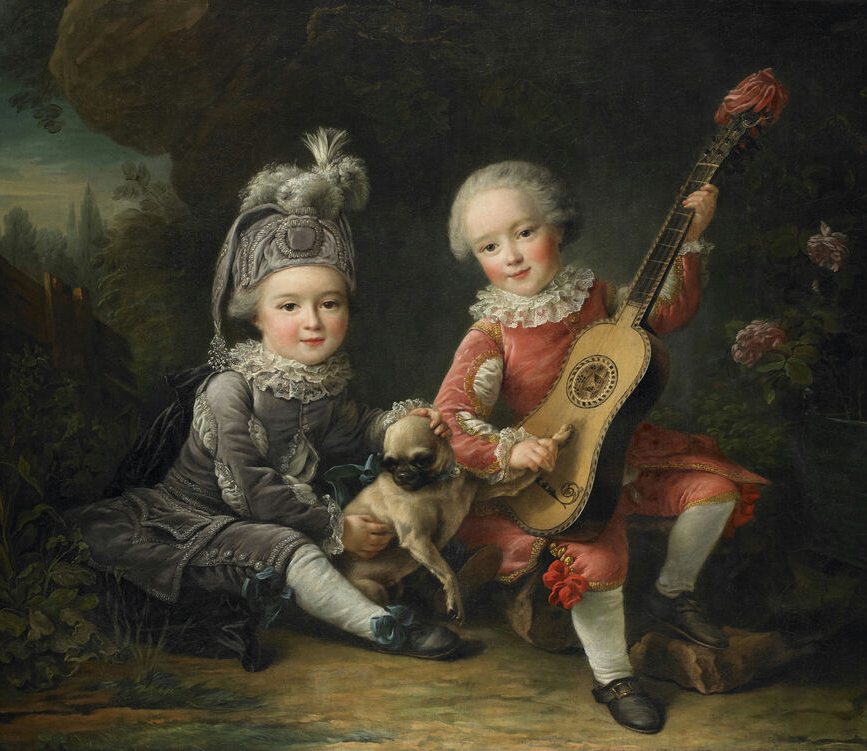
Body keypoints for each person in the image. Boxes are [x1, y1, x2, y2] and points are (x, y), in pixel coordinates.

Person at [68, 128, 460, 671]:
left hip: (260, 523)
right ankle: (382, 629)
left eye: (329, 303)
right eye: (289, 306)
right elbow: (253, 489)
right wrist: (336, 529)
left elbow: (357, 425)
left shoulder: (324, 386)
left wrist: (401, 426)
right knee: (289, 548)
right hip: (187, 519)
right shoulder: (230, 388)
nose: (313, 322)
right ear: (255, 315)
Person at [434, 160, 769, 734]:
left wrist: (690, 240)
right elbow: (452, 418)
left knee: (714, 491)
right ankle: (614, 677)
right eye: (490, 246)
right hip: (560, 477)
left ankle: (672, 592)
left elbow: (667, 314)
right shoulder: (491, 333)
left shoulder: (600, 297)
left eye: (524, 232)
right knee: (597, 561)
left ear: (558, 228)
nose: (511, 256)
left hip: (632, 455)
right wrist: (511, 451)